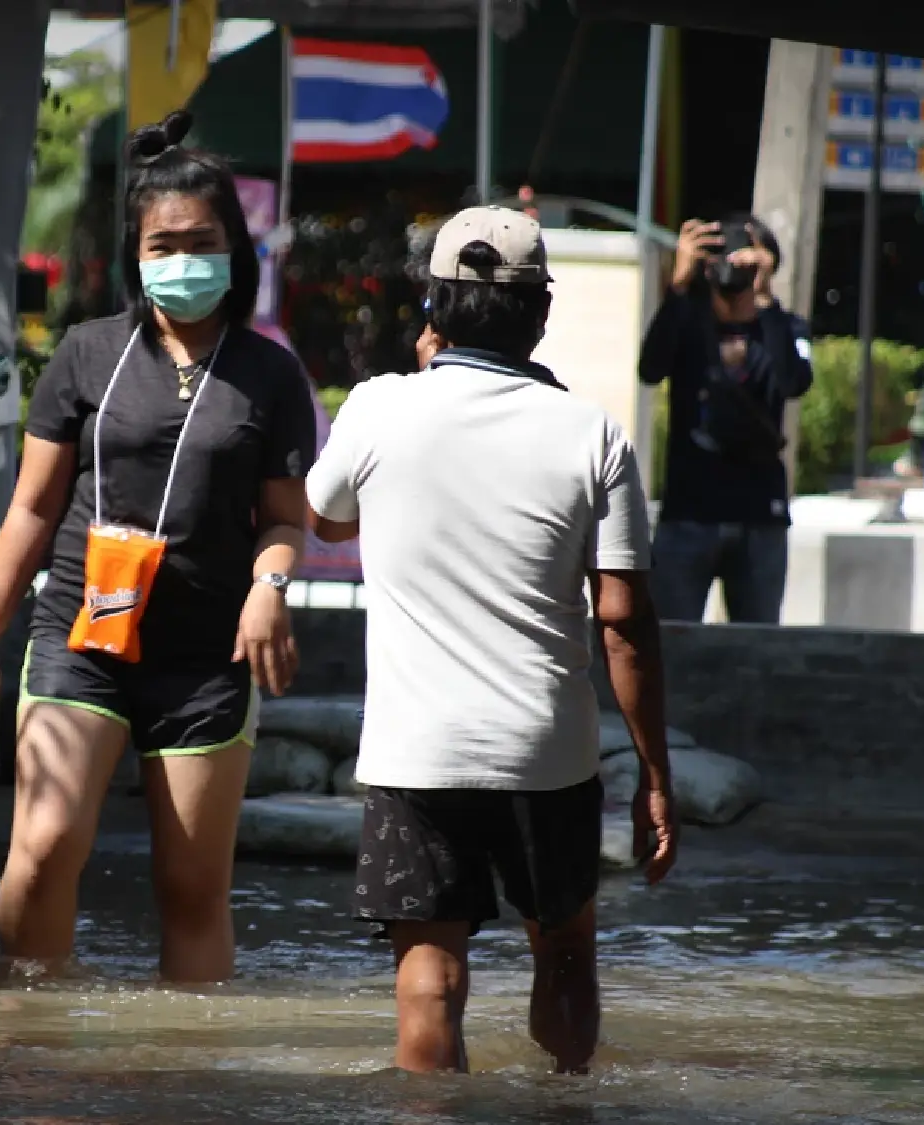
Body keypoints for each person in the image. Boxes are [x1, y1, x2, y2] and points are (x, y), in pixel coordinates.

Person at [306, 206, 679, 1075]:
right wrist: (654, 775)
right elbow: (623, 620)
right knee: (566, 952)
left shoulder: (379, 407)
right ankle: (565, 1105)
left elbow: (325, 517)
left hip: (416, 753)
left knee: (430, 984)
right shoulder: (593, 434)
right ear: (539, 315)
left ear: (434, 306)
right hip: (547, 754)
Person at [0, 111, 317, 983]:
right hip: (84, 634)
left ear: (237, 247)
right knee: (42, 848)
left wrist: (270, 583)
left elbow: (285, 516)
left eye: (201, 240)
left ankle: (179, 1075)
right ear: (137, 253)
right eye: (163, 243)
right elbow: (33, 508)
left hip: (205, 656)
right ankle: (29, 1039)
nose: (182, 257)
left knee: (191, 888)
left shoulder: (269, 373)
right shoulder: (86, 353)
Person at [640, 213, 814, 625]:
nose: (732, 272)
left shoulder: (784, 328)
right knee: (672, 647)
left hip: (760, 518)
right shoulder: (686, 323)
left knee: (755, 651)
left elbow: (794, 382)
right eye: (723, 261)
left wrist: (766, 299)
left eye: (745, 262)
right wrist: (678, 286)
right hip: (690, 514)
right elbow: (649, 369)